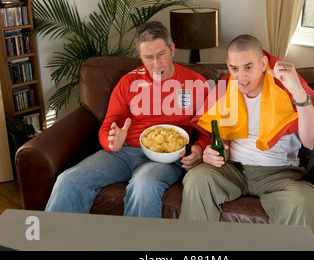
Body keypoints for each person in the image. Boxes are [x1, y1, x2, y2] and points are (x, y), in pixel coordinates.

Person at [45, 21, 210, 217]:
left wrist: (198, 149)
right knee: (68, 179)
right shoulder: (128, 82)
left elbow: (207, 131)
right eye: (148, 57)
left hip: (167, 159)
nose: (156, 64)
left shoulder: (196, 83)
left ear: (172, 49)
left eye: (161, 55)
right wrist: (111, 141)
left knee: (144, 184)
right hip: (123, 153)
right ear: (140, 57)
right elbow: (108, 126)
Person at [179, 34, 314, 246]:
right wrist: (210, 153)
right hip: (234, 170)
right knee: (197, 178)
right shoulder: (225, 89)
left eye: (248, 67)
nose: (241, 77)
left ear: (263, 63)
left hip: (279, 175)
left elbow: (312, 141)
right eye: (234, 68)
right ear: (228, 66)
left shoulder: (286, 88)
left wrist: (297, 89)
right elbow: (214, 138)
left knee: (304, 200)